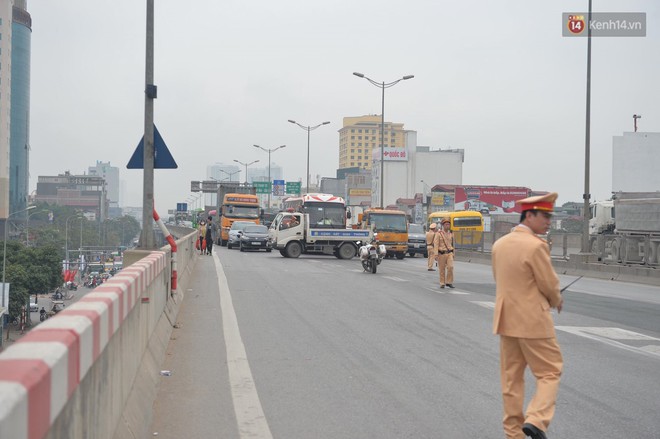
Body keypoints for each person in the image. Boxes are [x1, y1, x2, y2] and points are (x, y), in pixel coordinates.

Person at [491, 192, 563, 439]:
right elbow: (549, 284)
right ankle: (537, 419)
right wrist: (556, 300)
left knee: (511, 380)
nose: (548, 221)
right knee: (550, 371)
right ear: (529, 215)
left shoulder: (499, 245)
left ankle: (513, 433)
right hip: (533, 321)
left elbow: (499, 280)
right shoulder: (536, 246)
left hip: (506, 320)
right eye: (544, 216)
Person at [434, 218, 455, 288]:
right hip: (441, 253)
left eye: (448, 224)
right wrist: (436, 254)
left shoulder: (451, 233)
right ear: (443, 225)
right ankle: (442, 283)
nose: (447, 226)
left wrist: (454, 253)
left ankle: (449, 282)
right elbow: (436, 244)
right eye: (446, 224)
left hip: (449, 253)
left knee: (450, 267)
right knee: (442, 269)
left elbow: (453, 244)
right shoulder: (438, 234)